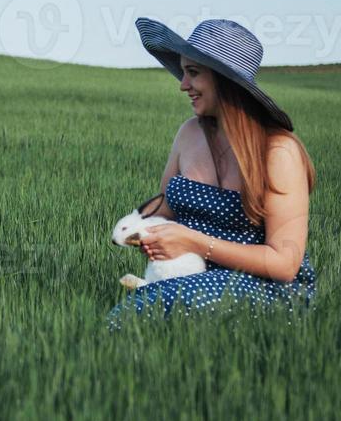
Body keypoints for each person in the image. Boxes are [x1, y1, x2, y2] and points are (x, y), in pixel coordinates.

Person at [105, 17, 317, 329]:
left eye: (193, 73)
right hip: (191, 275)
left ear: (224, 81)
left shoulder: (278, 152)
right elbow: (165, 207)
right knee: (149, 312)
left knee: (151, 309)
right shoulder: (189, 133)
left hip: (264, 287)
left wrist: (193, 242)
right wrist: (138, 231)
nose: (182, 85)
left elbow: (284, 264)